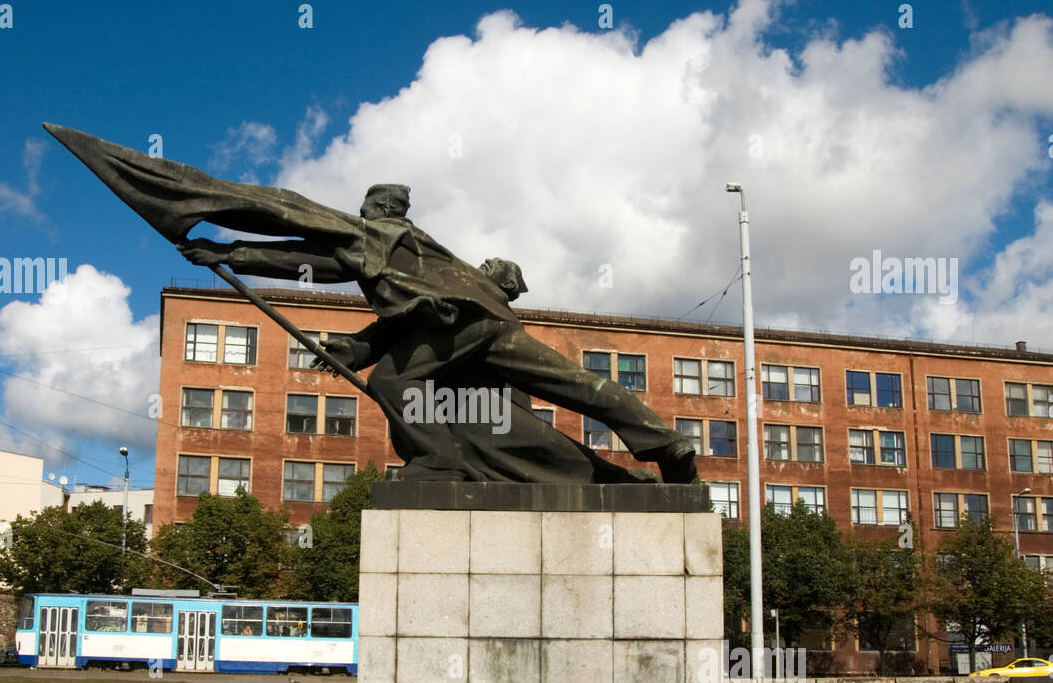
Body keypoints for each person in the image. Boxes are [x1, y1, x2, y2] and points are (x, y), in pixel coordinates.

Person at [178, 185, 697, 484]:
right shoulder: (430, 254)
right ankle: (666, 442)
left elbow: (306, 259)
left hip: (458, 326)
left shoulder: (374, 235)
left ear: (375, 211)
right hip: (482, 323)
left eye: (364, 210)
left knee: (392, 383)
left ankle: (438, 459)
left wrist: (230, 254)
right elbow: (399, 323)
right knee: (572, 382)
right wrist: (352, 348)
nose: (358, 218)